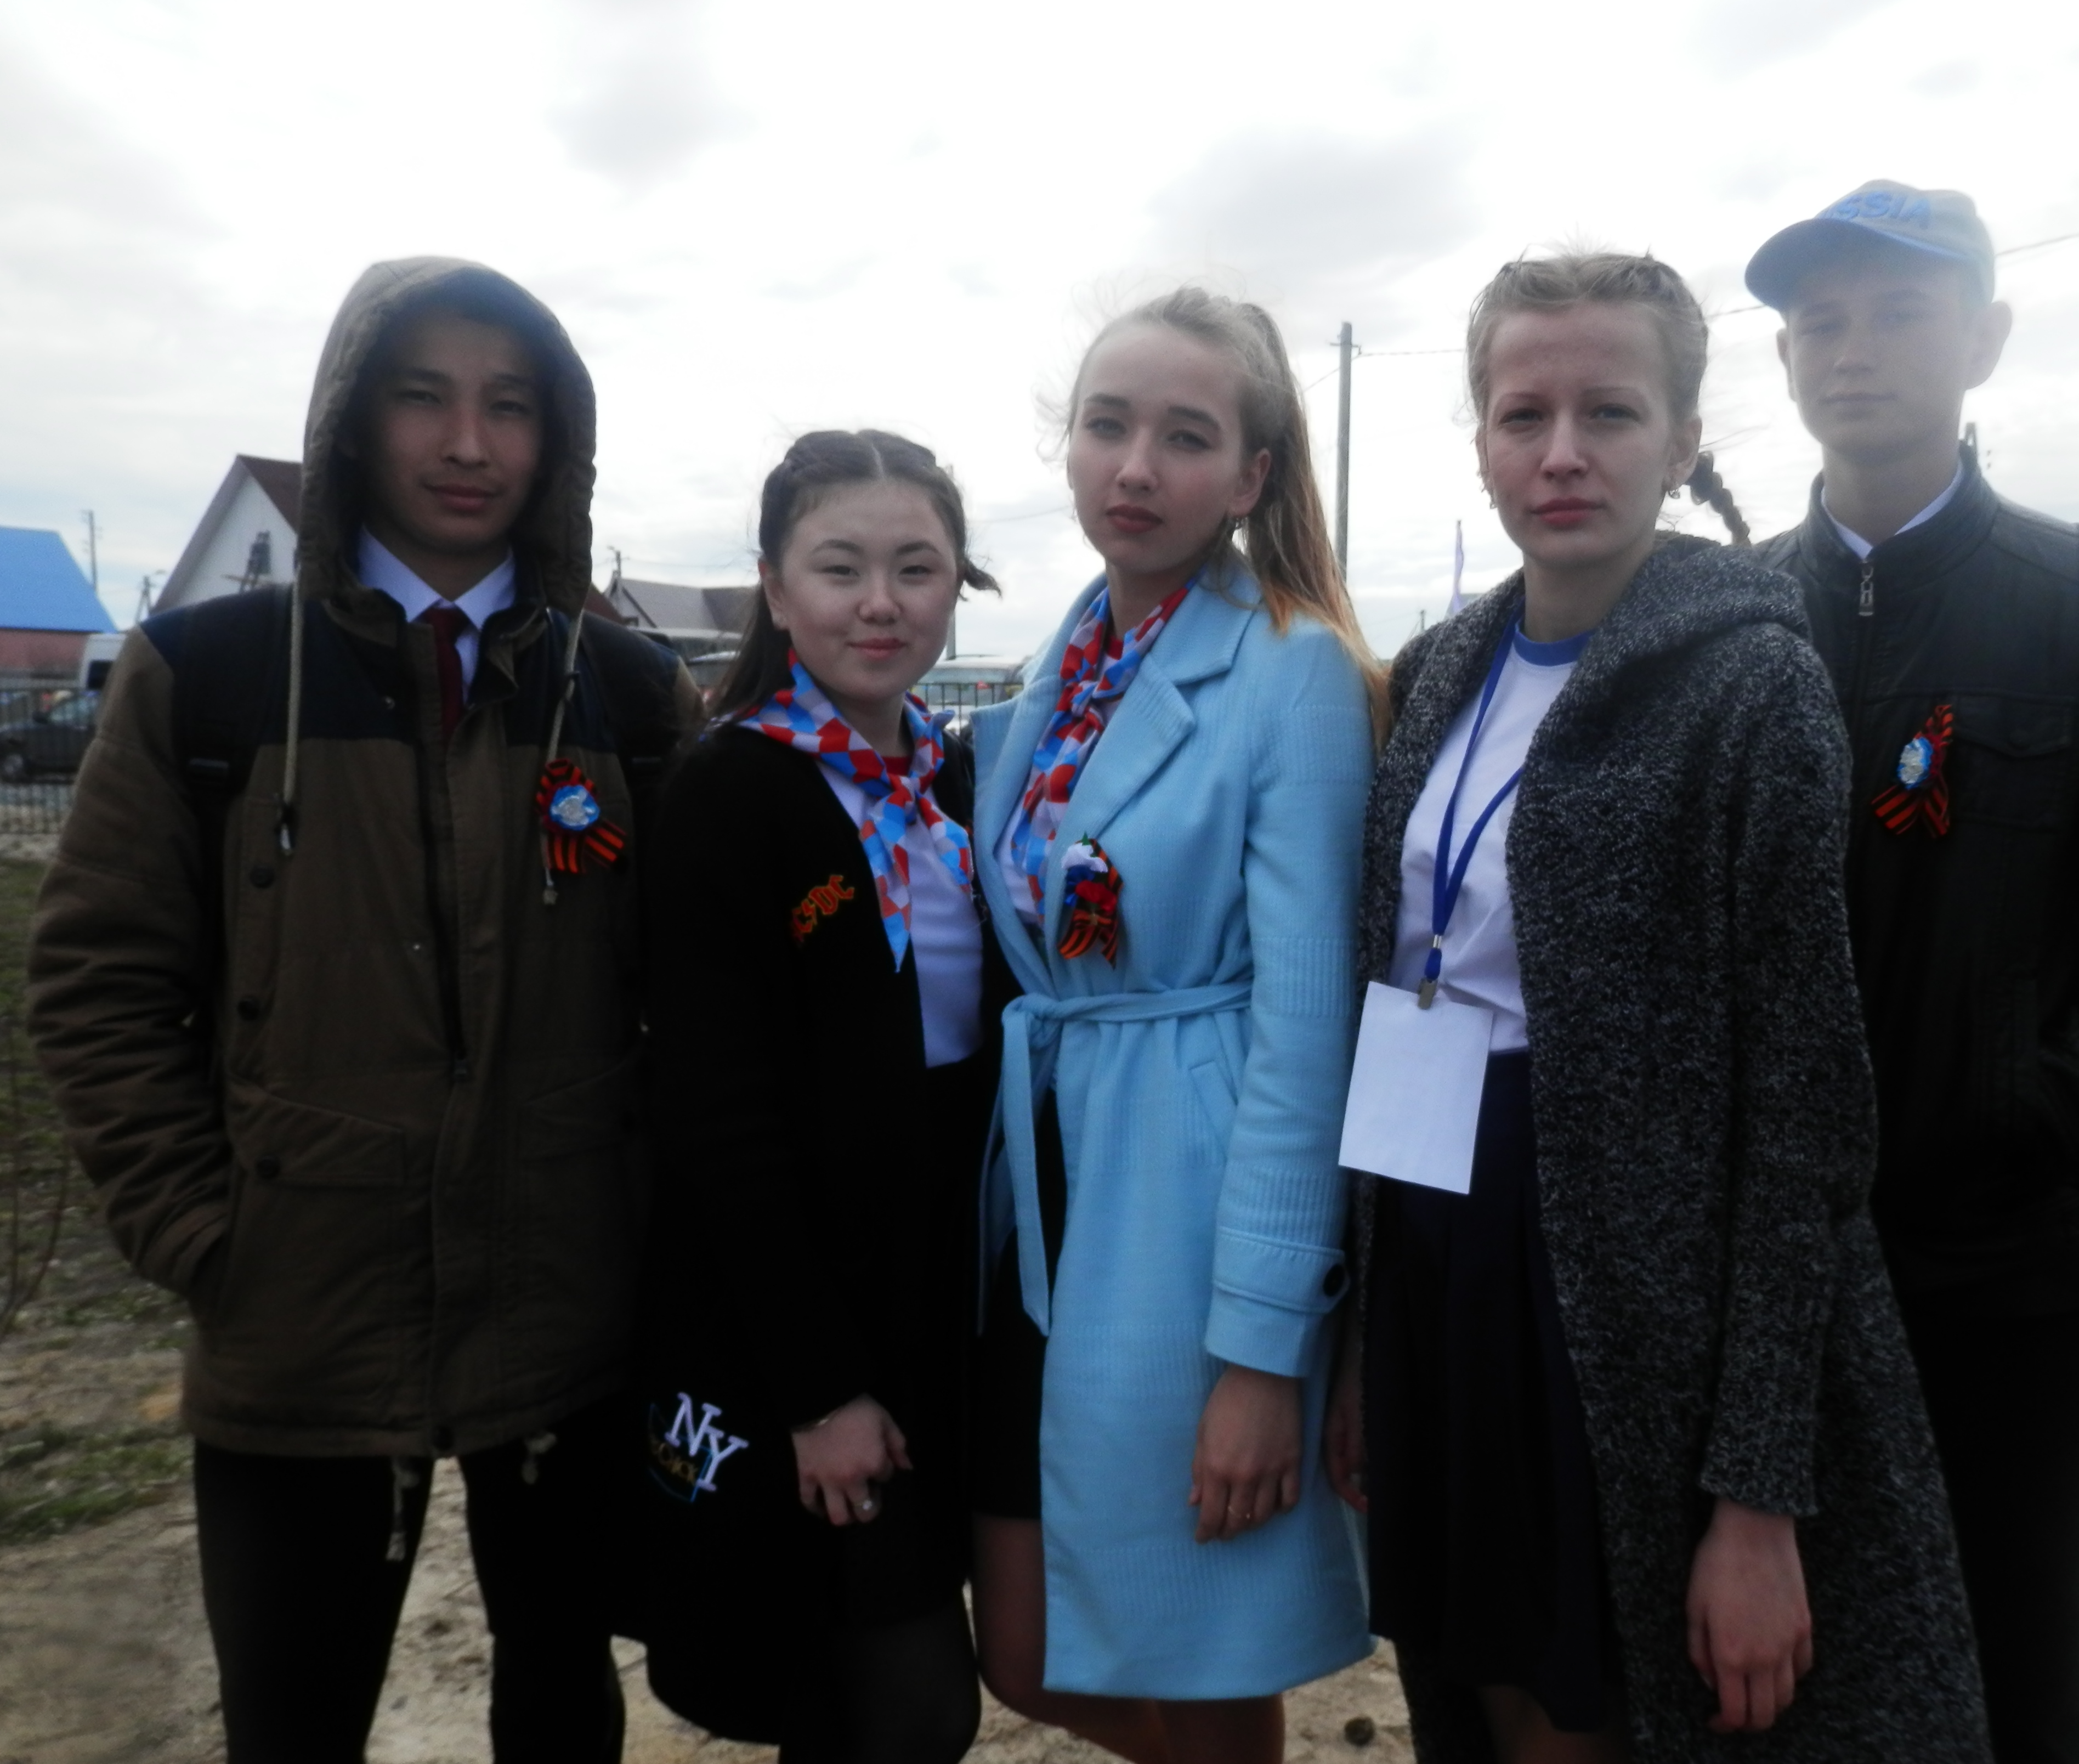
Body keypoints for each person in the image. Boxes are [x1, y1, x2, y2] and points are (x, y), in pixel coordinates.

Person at [26, 258, 700, 1763]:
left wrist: (641, 1214)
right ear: (349, 419)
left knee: (561, 1706)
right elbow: (98, 977)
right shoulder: (207, 677)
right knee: (294, 1722)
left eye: (509, 405)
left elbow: (703, 998)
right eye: (422, 396)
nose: (467, 442)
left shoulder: (630, 696)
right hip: (299, 1318)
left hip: (566, 1317)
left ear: (555, 437)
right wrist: (202, 1232)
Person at [1326, 251, 1992, 1764]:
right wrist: (1369, 1334)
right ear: (1482, 440)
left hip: (1626, 1290)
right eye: (1524, 414)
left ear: (1684, 438)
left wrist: (1757, 1494)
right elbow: (1402, 988)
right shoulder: (1436, 674)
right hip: (1436, 1233)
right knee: (1469, 1681)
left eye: (1610, 412)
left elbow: (1802, 1114)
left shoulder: (1747, 685)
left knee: (1588, 1703)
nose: (1562, 453)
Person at [1743, 183, 2079, 1764]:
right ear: (1783, 359)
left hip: (2007, 1284)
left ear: (1984, 338)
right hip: (1768, 1284)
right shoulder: (1726, 616)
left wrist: (2028, 1115)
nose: (1854, 351)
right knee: (1763, 1679)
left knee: (2012, 1678)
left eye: (1899, 312)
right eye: (1821, 322)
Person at [965, 286, 1378, 1764]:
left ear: (1252, 476)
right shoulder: (1055, 673)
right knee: (1025, 1654)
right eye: (1108, 425)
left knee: (1202, 1652)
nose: (1135, 468)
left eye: (1186, 438)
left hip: (1185, 1208)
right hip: (1046, 1195)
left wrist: (1262, 1356)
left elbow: (1307, 1032)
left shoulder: (1290, 667)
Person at [632, 430, 1014, 1762]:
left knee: (872, 1690)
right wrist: (817, 1392)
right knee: (902, 1704)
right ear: (774, 588)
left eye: (917, 569)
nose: (880, 604)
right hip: (800, 1314)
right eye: (840, 568)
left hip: (937, 1300)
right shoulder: (730, 791)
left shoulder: (959, 783)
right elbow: (719, 1121)